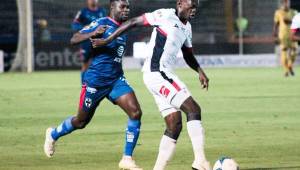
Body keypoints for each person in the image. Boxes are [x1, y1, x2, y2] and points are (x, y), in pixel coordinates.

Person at [91, 0, 211, 169]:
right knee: (193, 109)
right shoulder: (165, 15)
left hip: (160, 75)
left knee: (174, 123)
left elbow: (188, 54)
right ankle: (200, 161)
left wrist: (199, 71)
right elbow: (133, 22)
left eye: (196, 6)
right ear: (180, 3)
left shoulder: (187, 27)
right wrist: (107, 40)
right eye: (191, 5)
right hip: (157, 73)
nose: (194, 9)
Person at [44, 1, 143, 169]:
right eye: (122, 7)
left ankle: (127, 158)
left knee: (135, 112)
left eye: (128, 7)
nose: (126, 10)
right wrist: (92, 34)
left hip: (116, 80)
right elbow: (74, 39)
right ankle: (53, 134)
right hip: (95, 82)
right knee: (81, 122)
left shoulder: (124, 26)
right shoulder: (101, 23)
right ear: (113, 7)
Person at [72, 0, 107, 84]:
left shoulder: (102, 11)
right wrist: (85, 27)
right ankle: (84, 85)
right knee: (85, 63)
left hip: (99, 41)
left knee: (101, 62)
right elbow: (74, 25)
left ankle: (99, 84)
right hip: (86, 41)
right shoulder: (83, 12)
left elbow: (107, 23)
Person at [273, 0, 298, 77]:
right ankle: (287, 69)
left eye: (287, 2)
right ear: (282, 3)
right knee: (284, 51)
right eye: (284, 2)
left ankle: (290, 65)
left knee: (294, 50)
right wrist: (275, 35)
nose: (286, 4)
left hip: (292, 35)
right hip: (283, 35)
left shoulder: (293, 12)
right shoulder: (278, 12)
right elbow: (276, 24)